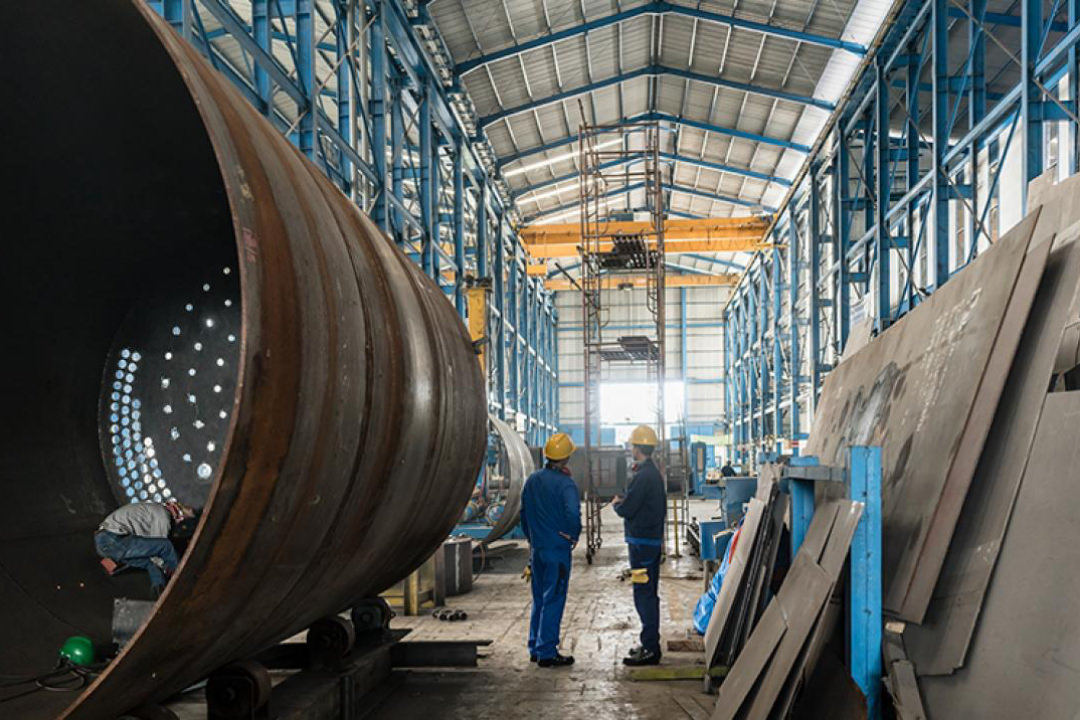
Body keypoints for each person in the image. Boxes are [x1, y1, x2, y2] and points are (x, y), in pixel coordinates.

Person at [520, 432, 581, 668]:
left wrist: (532, 537)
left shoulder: (533, 480)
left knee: (539, 598)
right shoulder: (566, 484)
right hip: (557, 551)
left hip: (538, 550)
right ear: (565, 458)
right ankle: (547, 652)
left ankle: (535, 645)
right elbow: (573, 514)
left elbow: (523, 514)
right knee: (554, 598)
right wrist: (573, 535)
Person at [612, 424, 667, 666]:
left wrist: (617, 504)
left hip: (642, 544)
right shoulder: (650, 473)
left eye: (632, 445)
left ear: (638, 448)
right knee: (647, 592)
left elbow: (628, 509)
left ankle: (651, 648)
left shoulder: (644, 476)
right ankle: (649, 643)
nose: (631, 449)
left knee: (644, 594)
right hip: (648, 541)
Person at [94, 500, 196, 596]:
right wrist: (166, 565)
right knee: (166, 546)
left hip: (106, 542)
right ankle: (182, 579)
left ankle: (159, 589)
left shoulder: (150, 511)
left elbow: (150, 553)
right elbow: (161, 545)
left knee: (149, 564)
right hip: (112, 538)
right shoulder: (162, 514)